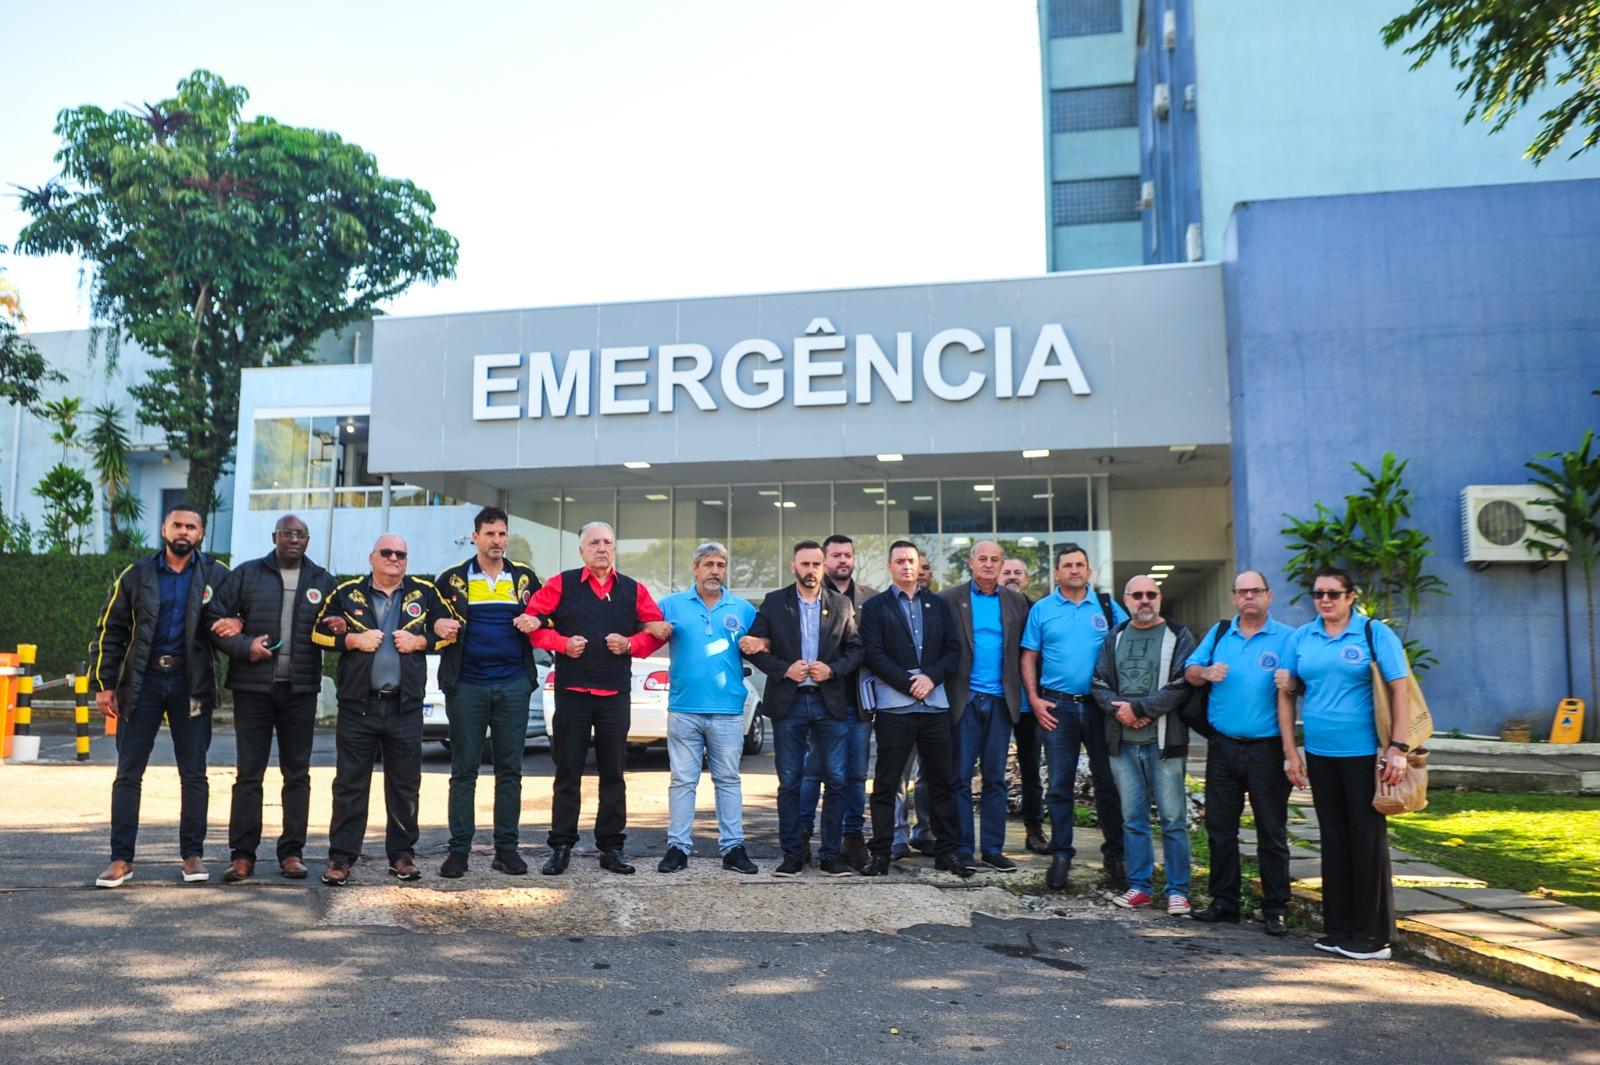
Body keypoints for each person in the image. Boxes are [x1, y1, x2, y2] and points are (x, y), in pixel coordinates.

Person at [89, 503, 231, 888]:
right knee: (128, 772)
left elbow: (242, 610)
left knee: (194, 772)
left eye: (191, 527)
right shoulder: (136, 574)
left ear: (201, 534)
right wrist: (103, 684)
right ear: (165, 529)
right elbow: (110, 630)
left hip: (192, 682)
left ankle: (192, 856)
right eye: (177, 525)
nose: (184, 531)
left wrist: (238, 620)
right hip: (143, 682)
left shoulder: (217, 574)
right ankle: (121, 859)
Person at [1276, 567, 1412, 961]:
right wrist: (1291, 752)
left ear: (1351, 596)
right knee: (1334, 839)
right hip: (1321, 753)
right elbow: (1286, 692)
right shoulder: (1303, 637)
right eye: (1318, 594)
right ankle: (1339, 929)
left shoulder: (1373, 633)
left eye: (1333, 594)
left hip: (1364, 754)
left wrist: (1398, 747)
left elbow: (1399, 691)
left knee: (1365, 840)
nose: (1325, 600)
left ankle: (1373, 937)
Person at [522, 521, 669, 876]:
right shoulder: (561, 584)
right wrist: (562, 644)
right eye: (594, 543)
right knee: (568, 772)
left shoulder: (633, 590)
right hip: (572, 693)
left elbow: (658, 631)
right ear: (581, 550)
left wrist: (631, 644)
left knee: (613, 773)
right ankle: (561, 847)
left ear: (614, 548)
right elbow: (531, 625)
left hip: (614, 693)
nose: (602, 548)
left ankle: (612, 848)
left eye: (607, 542)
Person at [313, 534, 454, 886]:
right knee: (350, 784)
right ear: (372, 557)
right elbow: (316, 632)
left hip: (404, 706)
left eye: (401, 554)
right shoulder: (347, 593)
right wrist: (351, 640)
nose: (394, 558)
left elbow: (452, 631)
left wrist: (421, 640)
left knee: (405, 785)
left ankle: (402, 855)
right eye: (386, 552)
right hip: (358, 706)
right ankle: (341, 857)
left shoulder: (425, 592)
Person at [206, 513, 338, 883]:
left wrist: (339, 626)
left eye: (301, 534)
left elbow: (339, 625)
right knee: (249, 774)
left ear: (307, 540)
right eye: (287, 533)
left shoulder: (323, 581)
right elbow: (214, 617)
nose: (294, 539)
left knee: (297, 775)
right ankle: (242, 856)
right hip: (252, 690)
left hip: (300, 691)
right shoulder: (247, 575)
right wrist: (244, 645)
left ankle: (292, 853)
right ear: (274, 536)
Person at [432, 506, 543, 878]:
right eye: (490, 534)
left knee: (510, 770)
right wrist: (438, 624)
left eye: (502, 534)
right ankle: (459, 851)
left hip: (513, 684)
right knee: (464, 770)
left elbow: (547, 615)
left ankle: (506, 850)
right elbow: (430, 620)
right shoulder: (451, 579)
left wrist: (537, 619)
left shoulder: (524, 577)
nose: (497, 541)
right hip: (466, 685)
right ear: (475, 537)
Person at [742, 540, 864, 877]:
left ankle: (830, 855)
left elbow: (856, 650)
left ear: (823, 567)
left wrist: (832, 670)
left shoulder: (841, 604)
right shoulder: (775, 602)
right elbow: (752, 648)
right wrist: (784, 670)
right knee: (790, 782)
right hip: (790, 702)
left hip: (829, 702)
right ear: (793, 567)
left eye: (816, 564)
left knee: (836, 780)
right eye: (805, 564)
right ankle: (793, 854)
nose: (811, 570)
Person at [1184, 570, 1296, 935]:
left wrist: (1294, 682)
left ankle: (1275, 907)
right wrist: (1206, 672)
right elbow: (1190, 671)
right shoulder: (1220, 634)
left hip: (1267, 750)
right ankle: (1224, 902)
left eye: (1256, 591)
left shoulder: (1288, 637)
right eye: (1242, 591)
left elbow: (1304, 682)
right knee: (1220, 828)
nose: (1249, 597)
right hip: (1223, 747)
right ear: (1233, 597)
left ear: (1269, 595)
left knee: (1271, 831)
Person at [858, 540, 971, 878]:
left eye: (912, 561)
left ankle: (947, 853)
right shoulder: (875, 607)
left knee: (941, 782)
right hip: (895, 709)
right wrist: (909, 683)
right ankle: (881, 854)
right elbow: (873, 654)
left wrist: (930, 677)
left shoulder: (938, 605)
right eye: (900, 561)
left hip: (934, 707)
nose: (907, 566)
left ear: (919, 566)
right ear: (889, 567)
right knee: (886, 784)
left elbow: (953, 650)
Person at [1020, 543, 1128, 892]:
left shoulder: (1108, 607)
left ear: (1089, 571)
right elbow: (1028, 658)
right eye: (1067, 565)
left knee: (1107, 784)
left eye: (1080, 564)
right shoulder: (1042, 609)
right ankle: (1061, 854)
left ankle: (1115, 855)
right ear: (1057, 573)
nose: (1074, 570)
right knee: (1059, 786)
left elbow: (1127, 649)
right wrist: (1034, 699)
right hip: (1058, 708)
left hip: (1101, 708)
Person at [1091, 575, 1196, 914]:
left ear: (1159, 597)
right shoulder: (1116, 635)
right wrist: (1121, 711)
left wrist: (1140, 709)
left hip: (1164, 744)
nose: (1144, 600)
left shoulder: (1178, 635)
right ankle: (1140, 887)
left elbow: (1181, 683)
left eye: (1151, 594)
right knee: (1132, 819)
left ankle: (1178, 890)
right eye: (1137, 595)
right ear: (1127, 600)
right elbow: (1098, 682)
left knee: (1173, 820)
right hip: (1123, 744)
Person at [656, 542, 759, 875]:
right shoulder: (670, 604)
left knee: (728, 780)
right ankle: (677, 848)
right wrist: (649, 628)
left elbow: (765, 643)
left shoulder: (743, 609)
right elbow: (645, 631)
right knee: (682, 781)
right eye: (709, 564)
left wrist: (761, 642)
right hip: (683, 708)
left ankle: (733, 849)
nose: (715, 571)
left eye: (721, 565)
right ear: (695, 568)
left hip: (728, 710)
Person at [940, 540, 1030, 871]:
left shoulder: (1016, 601)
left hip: (1000, 700)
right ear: (971, 562)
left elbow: (1026, 650)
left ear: (1001, 564)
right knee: (960, 778)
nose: (989, 564)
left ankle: (992, 849)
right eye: (983, 558)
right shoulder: (949, 599)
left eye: (995, 559)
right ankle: (963, 848)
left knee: (995, 779)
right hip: (963, 699)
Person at [798, 534, 877, 869]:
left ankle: (852, 837)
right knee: (812, 773)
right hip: (817, 700)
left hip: (857, 700)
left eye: (848, 555)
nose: (842, 560)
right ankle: (802, 836)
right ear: (824, 560)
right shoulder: (809, 595)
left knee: (855, 774)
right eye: (836, 555)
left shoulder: (871, 599)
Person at [1000, 556, 1049, 855]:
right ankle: (988, 838)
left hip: (1030, 705)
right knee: (991, 772)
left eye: (1018, 572)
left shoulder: (1038, 611)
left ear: (1026, 579)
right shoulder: (988, 608)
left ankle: (1034, 830)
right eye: (1007, 572)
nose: (1012, 577)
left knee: (1031, 771)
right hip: (996, 702)